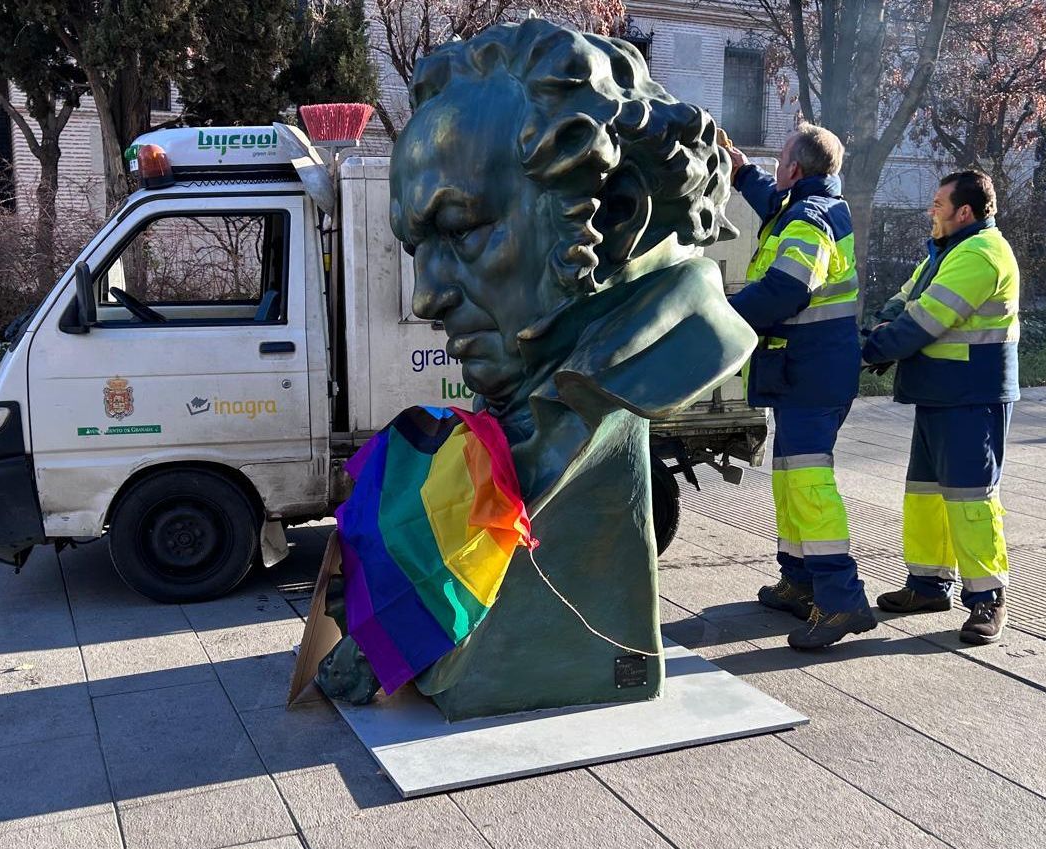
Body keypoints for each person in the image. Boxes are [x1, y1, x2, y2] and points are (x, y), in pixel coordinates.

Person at [315, 19, 757, 719]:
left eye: (460, 231)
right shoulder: (530, 384)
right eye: (417, 251)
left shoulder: (624, 375)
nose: (426, 297)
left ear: (616, 217)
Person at [724, 124, 872, 650]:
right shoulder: (805, 205)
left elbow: (787, 288)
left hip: (813, 375)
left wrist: (719, 314)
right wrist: (742, 171)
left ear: (795, 168)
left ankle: (841, 600)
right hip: (804, 373)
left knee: (808, 487)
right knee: (790, 482)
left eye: (780, 158)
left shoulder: (810, 219)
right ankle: (800, 582)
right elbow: (773, 199)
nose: (776, 167)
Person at [861, 170, 1019, 644]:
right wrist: (880, 328)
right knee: (925, 496)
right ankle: (928, 585)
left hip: (971, 396)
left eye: (938, 204)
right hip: (939, 392)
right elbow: (903, 300)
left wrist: (869, 349)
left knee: (972, 500)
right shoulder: (946, 251)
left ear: (963, 211)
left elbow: (924, 321)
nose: (931, 210)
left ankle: (988, 598)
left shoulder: (980, 254)